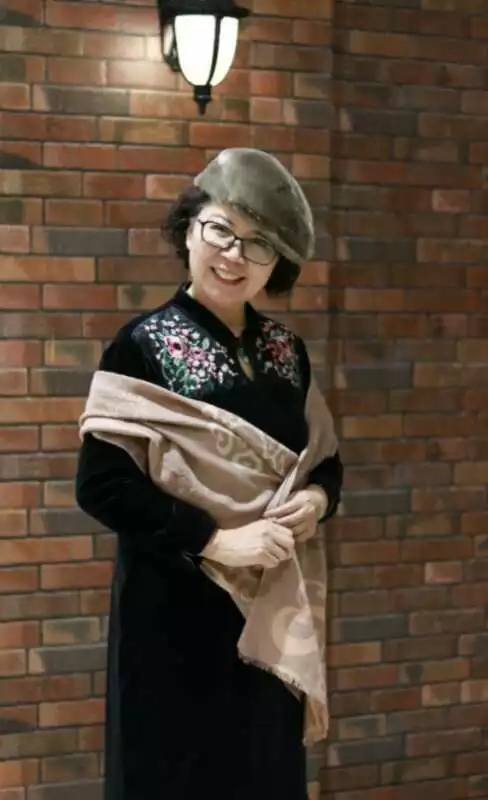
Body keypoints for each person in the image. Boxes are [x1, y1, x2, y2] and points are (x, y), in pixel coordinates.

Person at [76, 147, 343, 800]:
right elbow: (103, 487)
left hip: (268, 609)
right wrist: (217, 540)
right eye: (221, 229)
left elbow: (325, 461)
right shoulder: (140, 344)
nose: (233, 255)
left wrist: (316, 499)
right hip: (172, 612)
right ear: (189, 228)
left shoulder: (287, 353)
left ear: (277, 263)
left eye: (259, 244)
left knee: (264, 770)